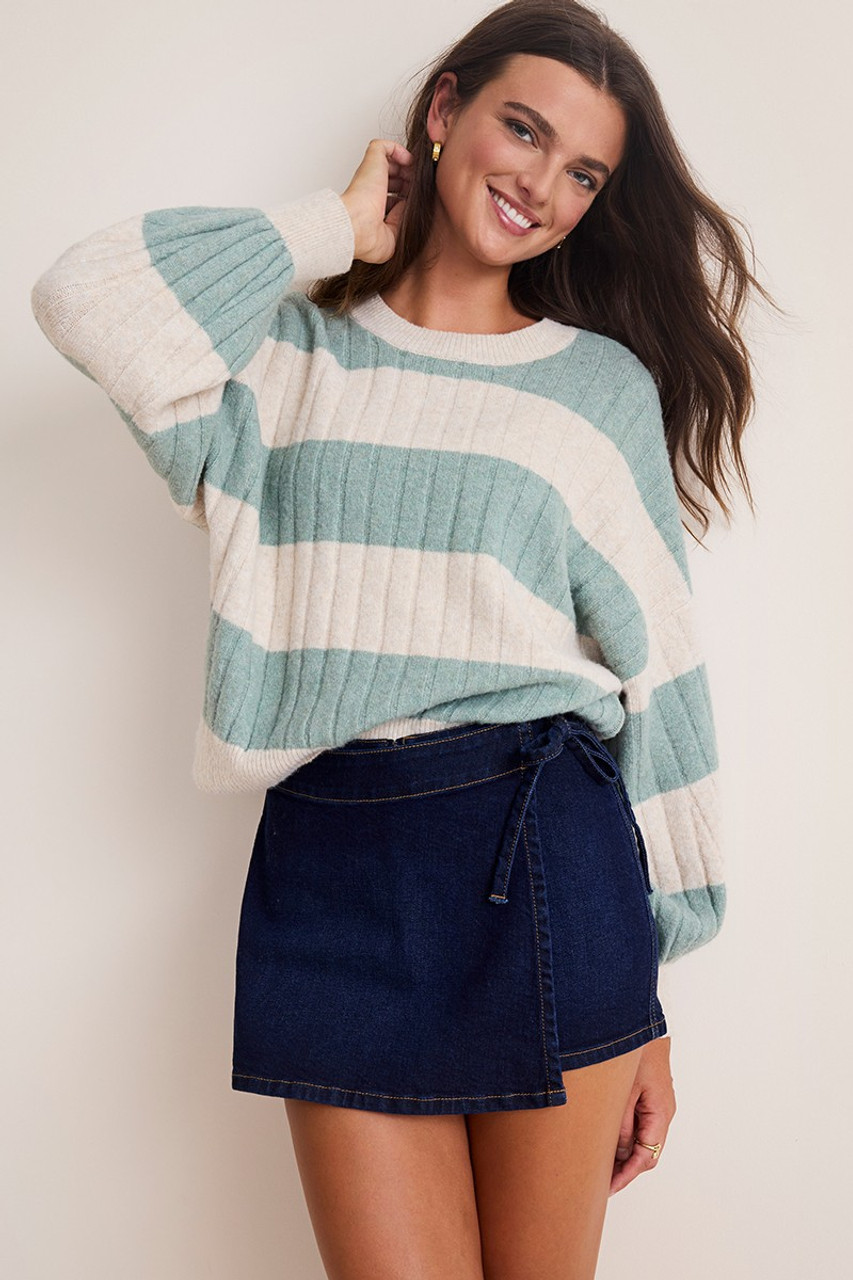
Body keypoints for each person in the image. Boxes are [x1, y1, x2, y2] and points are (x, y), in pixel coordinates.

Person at [30, 1, 769, 1275]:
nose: (541, 185)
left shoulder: (595, 390)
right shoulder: (279, 359)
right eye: (522, 130)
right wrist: (332, 228)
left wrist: (654, 982)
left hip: (545, 851)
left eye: (582, 173)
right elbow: (83, 295)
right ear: (443, 112)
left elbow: (664, 679)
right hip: (332, 866)